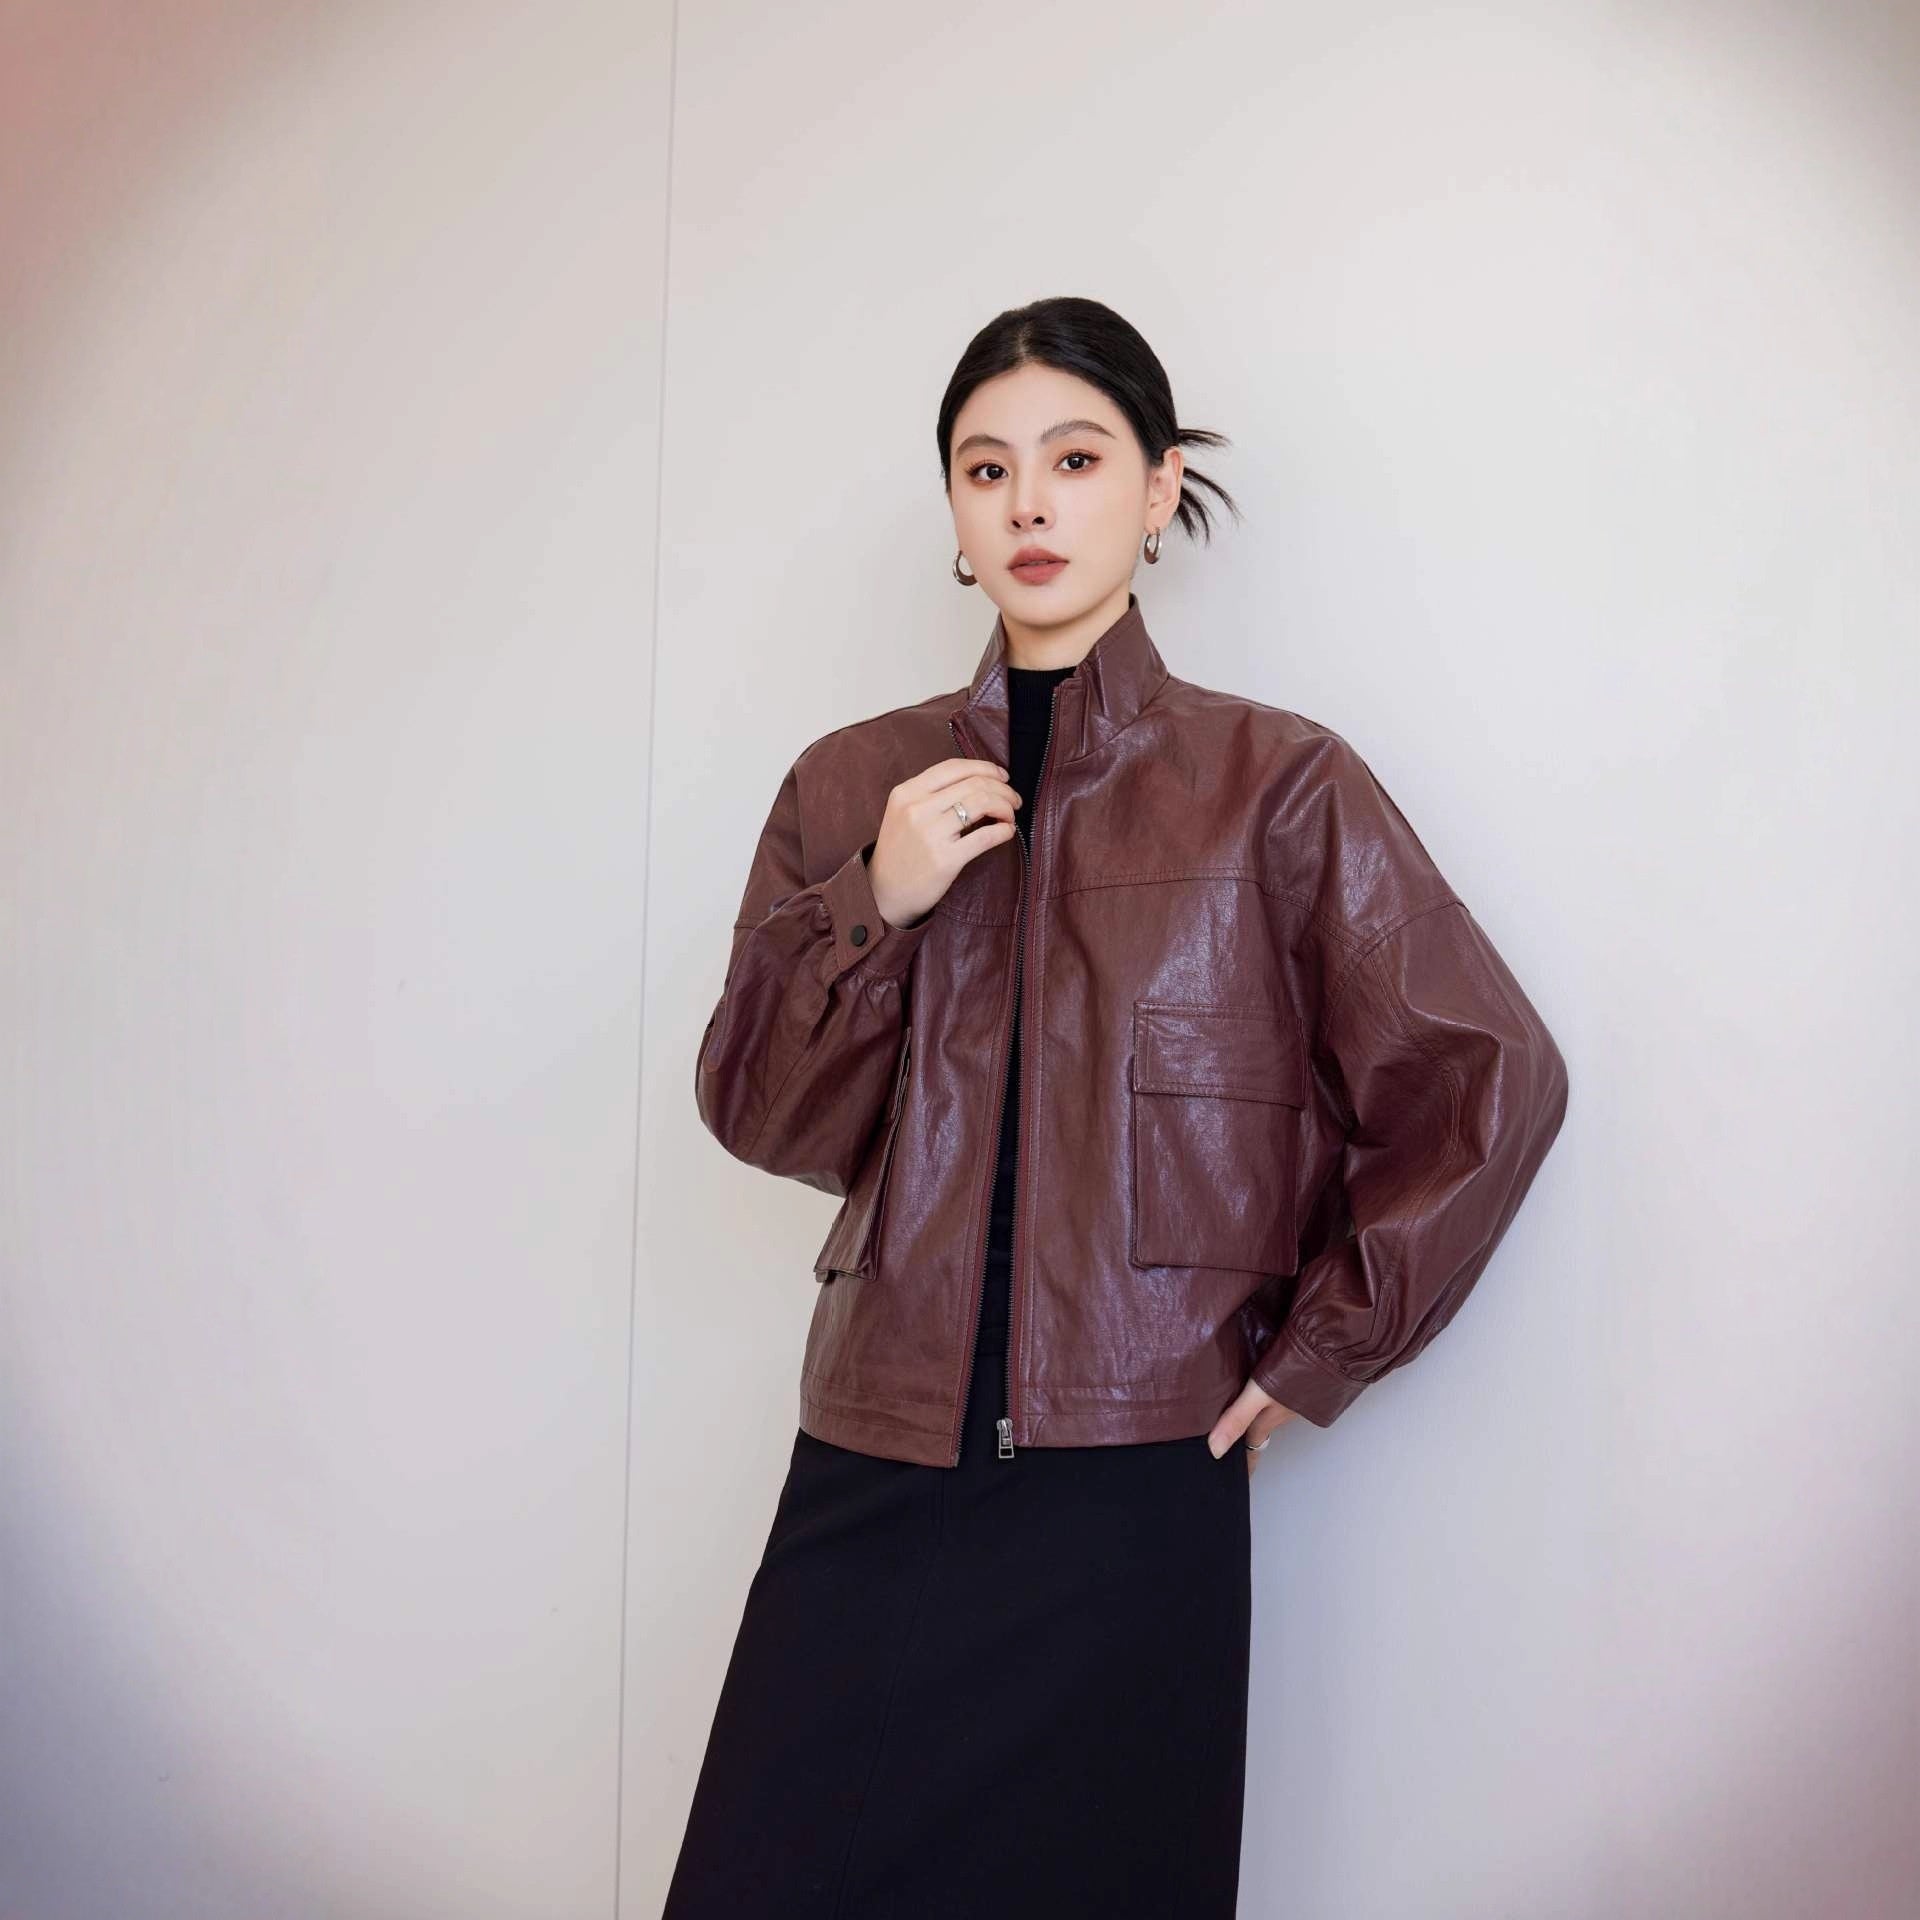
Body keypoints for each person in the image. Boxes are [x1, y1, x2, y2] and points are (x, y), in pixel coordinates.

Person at [663, 295, 1569, 1918]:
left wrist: (1324, 1348)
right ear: (953, 512)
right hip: (875, 1445)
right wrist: (876, 898)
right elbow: (762, 1114)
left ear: (1157, 491)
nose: (1028, 502)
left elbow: (1487, 1074)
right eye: (985, 468)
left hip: (1138, 1479)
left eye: (1074, 460)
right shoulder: (851, 785)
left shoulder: (1277, 786)